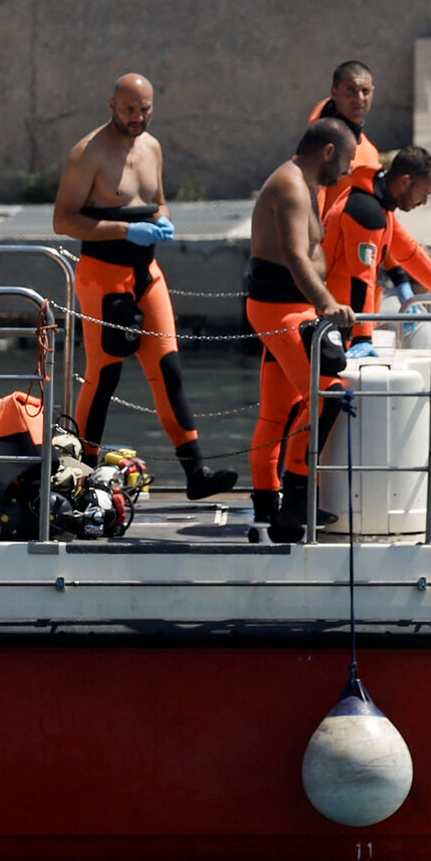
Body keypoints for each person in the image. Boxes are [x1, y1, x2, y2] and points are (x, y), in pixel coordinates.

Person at [53, 73, 235, 501]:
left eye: (145, 109)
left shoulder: (152, 147)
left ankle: (196, 471)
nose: (137, 118)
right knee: (105, 375)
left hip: (147, 274)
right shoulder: (88, 153)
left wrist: (162, 220)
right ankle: (83, 473)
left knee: (169, 370)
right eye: (129, 109)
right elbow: (64, 221)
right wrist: (123, 230)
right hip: (103, 276)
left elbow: (159, 199)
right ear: (111, 104)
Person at [244, 117, 357, 543]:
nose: (346, 169)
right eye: (345, 160)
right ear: (327, 151)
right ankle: (295, 503)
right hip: (280, 311)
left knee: (278, 410)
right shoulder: (290, 184)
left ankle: (265, 510)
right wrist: (327, 303)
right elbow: (295, 255)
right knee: (325, 394)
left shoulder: (308, 184)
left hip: (294, 309)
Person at [321, 146, 431, 344]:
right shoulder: (366, 211)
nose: (423, 202)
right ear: (405, 182)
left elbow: (410, 253)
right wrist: (361, 338)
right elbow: (362, 278)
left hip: (346, 316)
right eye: (424, 193)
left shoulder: (382, 205)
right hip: (333, 317)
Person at [307, 60, 383, 181]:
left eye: (365, 91)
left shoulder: (370, 152)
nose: (359, 98)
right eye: (350, 90)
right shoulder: (320, 146)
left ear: (373, 92)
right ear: (334, 92)